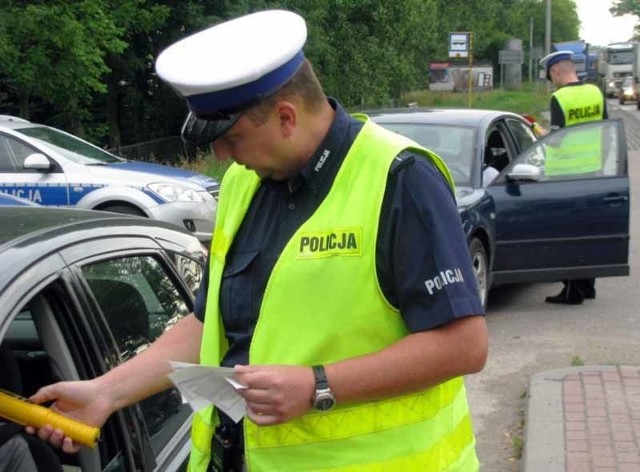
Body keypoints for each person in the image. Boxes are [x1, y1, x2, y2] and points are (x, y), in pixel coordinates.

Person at [27, 10, 488, 471]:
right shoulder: (240, 185)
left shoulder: (400, 178)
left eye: (231, 138)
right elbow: (209, 324)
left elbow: (463, 345)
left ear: (286, 117)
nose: (221, 155)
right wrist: (106, 392)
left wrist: (318, 385)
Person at [539, 50, 607, 305]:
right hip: (594, 172)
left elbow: (556, 141)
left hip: (565, 176)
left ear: (556, 71)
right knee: (588, 231)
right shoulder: (595, 93)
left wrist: (541, 134)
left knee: (568, 234)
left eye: (551, 77)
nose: (552, 82)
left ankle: (572, 291)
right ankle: (588, 286)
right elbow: (606, 128)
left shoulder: (560, 98)